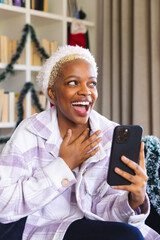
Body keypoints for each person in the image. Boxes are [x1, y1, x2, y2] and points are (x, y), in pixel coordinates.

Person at [0, 45, 159, 240]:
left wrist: (134, 200)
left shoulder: (108, 134)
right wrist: (64, 165)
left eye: (92, 83)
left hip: (92, 226)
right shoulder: (30, 132)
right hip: (46, 229)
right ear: (52, 93)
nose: (86, 92)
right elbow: (4, 205)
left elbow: (106, 214)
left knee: (134, 232)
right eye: (73, 83)